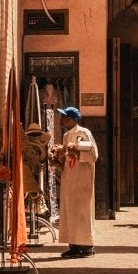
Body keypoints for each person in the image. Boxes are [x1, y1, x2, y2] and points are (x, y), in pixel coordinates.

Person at [51, 106, 98, 259]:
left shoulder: (84, 133)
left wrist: (76, 152)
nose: (63, 120)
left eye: (65, 117)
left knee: (82, 210)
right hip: (69, 177)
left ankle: (87, 245)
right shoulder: (66, 136)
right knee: (70, 210)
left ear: (73, 119)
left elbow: (93, 155)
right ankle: (73, 244)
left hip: (82, 177)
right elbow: (66, 157)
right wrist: (58, 156)